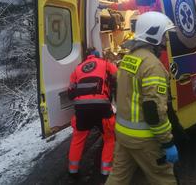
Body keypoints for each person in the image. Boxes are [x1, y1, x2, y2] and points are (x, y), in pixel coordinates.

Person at [106, 12, 179, 185]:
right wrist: (167, 142)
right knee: (163, 179)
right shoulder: (153, 66)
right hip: (145, 139)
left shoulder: (128, 59)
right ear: (154, 35)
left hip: (123, 135)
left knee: (117, 178)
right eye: (164, 36)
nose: (166, 41)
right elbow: (154, 111)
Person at [67, 48, 117, 184]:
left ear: (86, 58)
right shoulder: (105, 63)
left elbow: (70, 93)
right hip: (101, 107)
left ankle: (73, 170)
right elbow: (117, 76)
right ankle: (105, 172)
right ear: (97, 56)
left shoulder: (77, 69)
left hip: (82, 109)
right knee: (109, 138)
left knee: (78, 138)